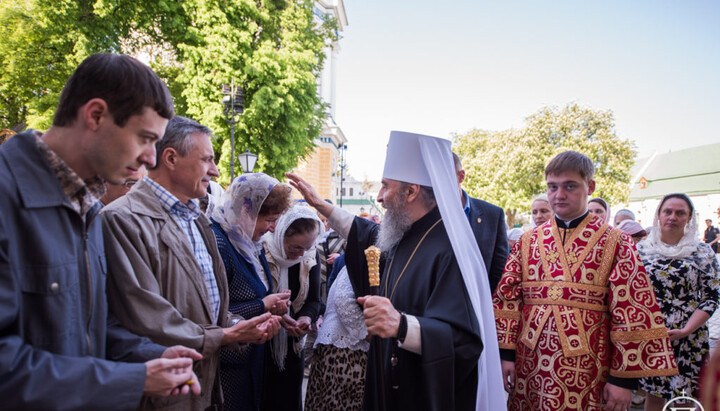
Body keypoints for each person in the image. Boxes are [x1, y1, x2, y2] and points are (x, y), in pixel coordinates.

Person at [0, 53, 203, 409]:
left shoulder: (88, 206)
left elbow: (90, 329)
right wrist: (133, 380)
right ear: (95, 115)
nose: (151, 159)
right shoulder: (8, 196)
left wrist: (150, 355)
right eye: (145, 138)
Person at [288, 130, 504, 411]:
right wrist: (322, 206)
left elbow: (465, 341)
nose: (379, 197)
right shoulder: (407, 232)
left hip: (420, 394)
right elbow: (366, 232)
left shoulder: (450, 249)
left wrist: (402, 326)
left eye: (385, 186)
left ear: (411, 191)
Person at [102, 116, 281, 410]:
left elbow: (207, 305)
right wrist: (225, 334)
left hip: (201, 387)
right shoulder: (123, 219)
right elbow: (146, 318)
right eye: (207, 159)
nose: (215, 170)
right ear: (171, 158)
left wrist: (239, 324)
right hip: (159, 394)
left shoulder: (196, 220)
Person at [493, 150, 678, 411]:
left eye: (570, 186)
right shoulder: (528, 240)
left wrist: (622, 379)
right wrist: (506, 355)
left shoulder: (616, 242)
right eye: (552, 187)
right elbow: (507, 300)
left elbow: (632, 310)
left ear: (589, 187)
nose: (559, 195)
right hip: (529, 365)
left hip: (590, 367)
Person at [210, 173, 293, 411]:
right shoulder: (220, 242)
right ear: (248, 211)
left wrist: (275, 310)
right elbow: (213, 311)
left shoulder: (249, 243)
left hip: (250, 360)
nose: (273, 228)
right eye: (270, 219)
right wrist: (263, 305)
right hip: (228, 365)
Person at [637, 193, 720, 410]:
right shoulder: (641, 250)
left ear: (689, 218)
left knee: (684, 398)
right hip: (653, 334)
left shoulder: (702, 252)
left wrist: (686, 330)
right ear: (659, 215)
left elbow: (711, 296)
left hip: (690, 336)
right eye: (668, 211)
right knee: (654, 396)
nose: (673, 217)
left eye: (680, 213)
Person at [261, 206, 324, 410]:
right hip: (262, 342)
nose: (302, 254)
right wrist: (275, 314)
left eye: (308, 247)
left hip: (293, 345)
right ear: (281, 235)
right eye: (296, 247)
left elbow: (314, 300)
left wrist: (305, 318)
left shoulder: (310, 256)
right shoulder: (262, 251)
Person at [305, 264, 370, 411]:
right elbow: (344, 301)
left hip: (341, 350)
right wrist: (368, 334)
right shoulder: (362, 261)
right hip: (346, 353)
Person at [453, 152, 509, 293]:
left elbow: (500, 268)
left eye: (444, 175)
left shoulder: (492, 215)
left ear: (461, 176)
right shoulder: (426, 215)